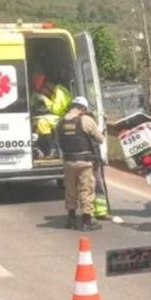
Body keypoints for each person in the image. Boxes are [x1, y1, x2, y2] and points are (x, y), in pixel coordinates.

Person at [57, 96, 104, 232]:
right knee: (86, 190)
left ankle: (71, 220)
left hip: (68, 161)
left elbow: (59, 141)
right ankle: (86, 222)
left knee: (70, 190)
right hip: (85, 162)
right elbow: (100, 139)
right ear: (83, 108)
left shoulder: (60, 122)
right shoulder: (86, 120)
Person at [31, 73, 72, 159]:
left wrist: (45, 99)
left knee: (42, 122)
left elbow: (56, 110)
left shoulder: (60, 91)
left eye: (43, 90)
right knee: (35, 120)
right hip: (58, 116)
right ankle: (41, 149)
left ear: (47, 85)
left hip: (64, 117)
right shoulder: (55, 91)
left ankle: (53, 149)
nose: (44, 92)